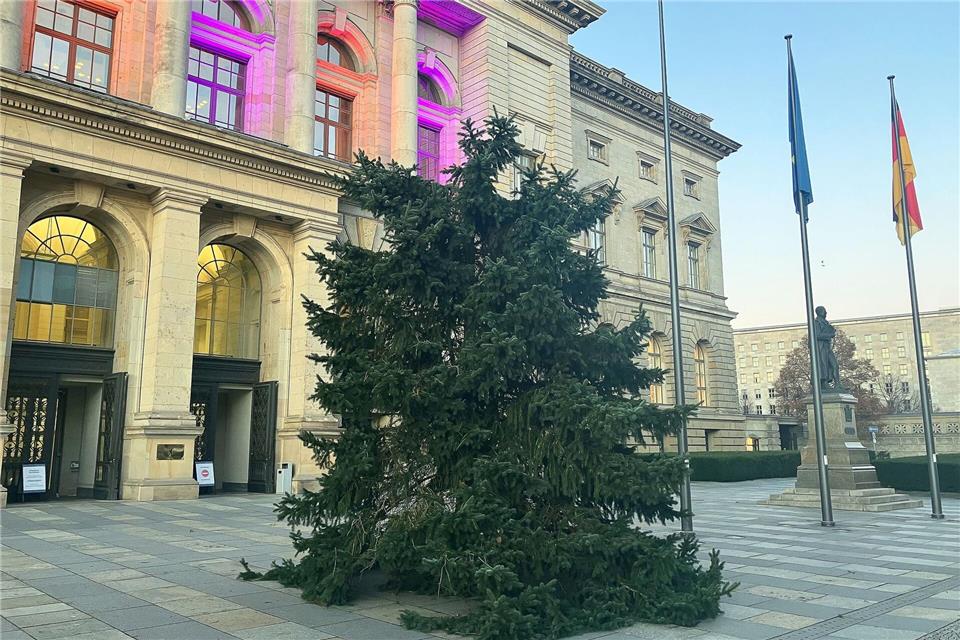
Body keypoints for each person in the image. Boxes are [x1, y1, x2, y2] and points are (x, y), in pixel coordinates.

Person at [814, 306, 840, 389]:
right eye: (824, 311)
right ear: (819, 312)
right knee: (823, 365)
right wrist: (830, 335)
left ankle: (838, 384)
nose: (826, 313)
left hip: (827, 347)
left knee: (835, 365)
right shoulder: (816, 323)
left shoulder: (825, 322)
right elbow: (817, 335)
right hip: (821, 348)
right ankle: (824, 383)